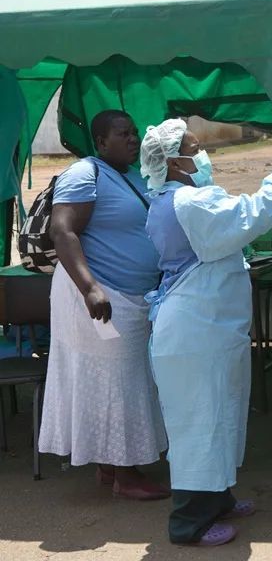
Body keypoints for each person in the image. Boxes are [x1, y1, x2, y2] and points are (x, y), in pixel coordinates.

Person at [139, 118, 272, 546]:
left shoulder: (177, 198)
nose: (203, 155)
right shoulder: (188, 204)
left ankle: (218, 499)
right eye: (194, 149)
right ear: (174, 163)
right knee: (199, 424)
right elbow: (252, 214)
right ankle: (188, 523)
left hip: (205, 330)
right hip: (194, 332)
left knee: (221, 414)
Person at [39, 110, 168, 500]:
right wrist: (91, 287)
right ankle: (126, 476)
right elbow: (63, 231)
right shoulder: (84, 173)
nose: (132, 139)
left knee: (117, 380)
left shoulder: (132, 175)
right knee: (118, 382)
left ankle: (111, 465)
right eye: (122, 133)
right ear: (100, 142)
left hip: (130, 297)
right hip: (97, 296)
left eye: (134, 132)